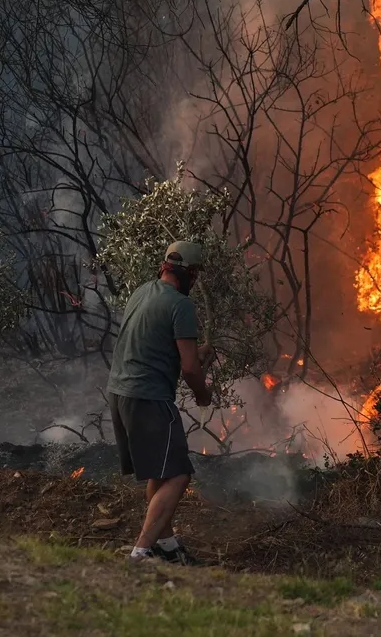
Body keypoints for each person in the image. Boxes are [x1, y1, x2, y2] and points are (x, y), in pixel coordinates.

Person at [106, 240, 214, 564]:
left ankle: (166, 547)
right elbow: (189, 368)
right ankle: (140, 553)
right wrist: (203, 395)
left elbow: (159, 346)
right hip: (148, 397)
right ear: (190, 274)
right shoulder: (181, 305)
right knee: (179, 474)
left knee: (160, 472)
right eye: (195, 274)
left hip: (120, 393)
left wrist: (198, 353)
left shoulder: (142, 292)